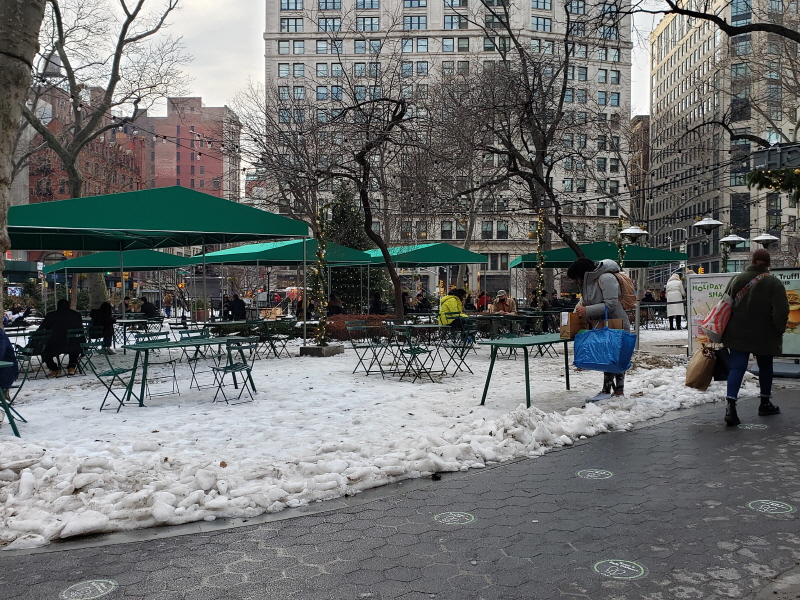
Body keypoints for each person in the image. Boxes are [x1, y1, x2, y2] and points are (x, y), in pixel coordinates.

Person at [722, 249, 788, 426]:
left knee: (737, 367)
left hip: (737, 332)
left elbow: (725, 302)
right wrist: (778, 329)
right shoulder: (773, 282)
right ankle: (765, 403)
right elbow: (782, 310)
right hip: (764, 333)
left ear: (752, 261)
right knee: (766, 366)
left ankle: (731, 407)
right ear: (768, 264)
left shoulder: (736, 279)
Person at [567, 257, 631, 402]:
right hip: (603, 323)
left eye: (578, 277)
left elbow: (611, 304)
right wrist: (578, 310)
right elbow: (586, 300)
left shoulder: (606, 278)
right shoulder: (589, 281)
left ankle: (617, 390)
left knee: (616, 357)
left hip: (615, 323)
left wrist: (587, 310)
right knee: (607, 357)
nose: (578, 281)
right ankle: (608, 390)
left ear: (584, 273)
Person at [38, 299, 84, 377]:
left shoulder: (51, 315)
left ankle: (55, 369)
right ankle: (72, 367)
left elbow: (42, 327)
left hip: (57, 344)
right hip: (77, 345)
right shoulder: (76, 315)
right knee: (74, 342)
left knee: (44, 352)